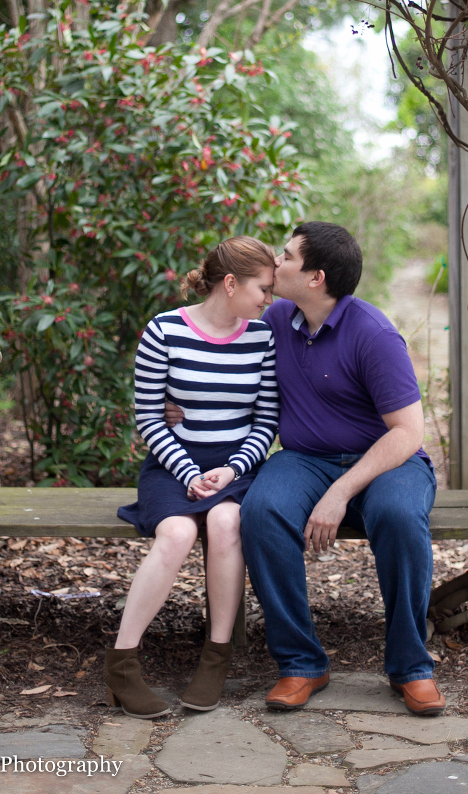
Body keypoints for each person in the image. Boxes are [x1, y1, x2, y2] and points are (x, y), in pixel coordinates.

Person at [168, 222, 443, 716]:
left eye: (287, 256)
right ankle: (301, 662)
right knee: (263, 510)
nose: (276, 262)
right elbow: (212, 346)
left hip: (386, 461)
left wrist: (340, 492)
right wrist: (176, 400)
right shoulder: (275, 321)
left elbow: (407, 433)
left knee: (400, 517)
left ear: (315, 277)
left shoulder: (373, 334)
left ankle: (411, 667)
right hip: (304, 459)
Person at [106, 236, 278, 720]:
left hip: (237, 465)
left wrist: (233, 468)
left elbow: (267, 421)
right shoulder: (164, 330)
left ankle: (215, 657)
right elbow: (148, 418)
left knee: (227, 524)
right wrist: (188, 471)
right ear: (230, 283)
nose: (268, 299)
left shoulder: (261, 338)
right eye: (262, 289)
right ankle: (121, 664)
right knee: (178, 531)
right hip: (172, 461)